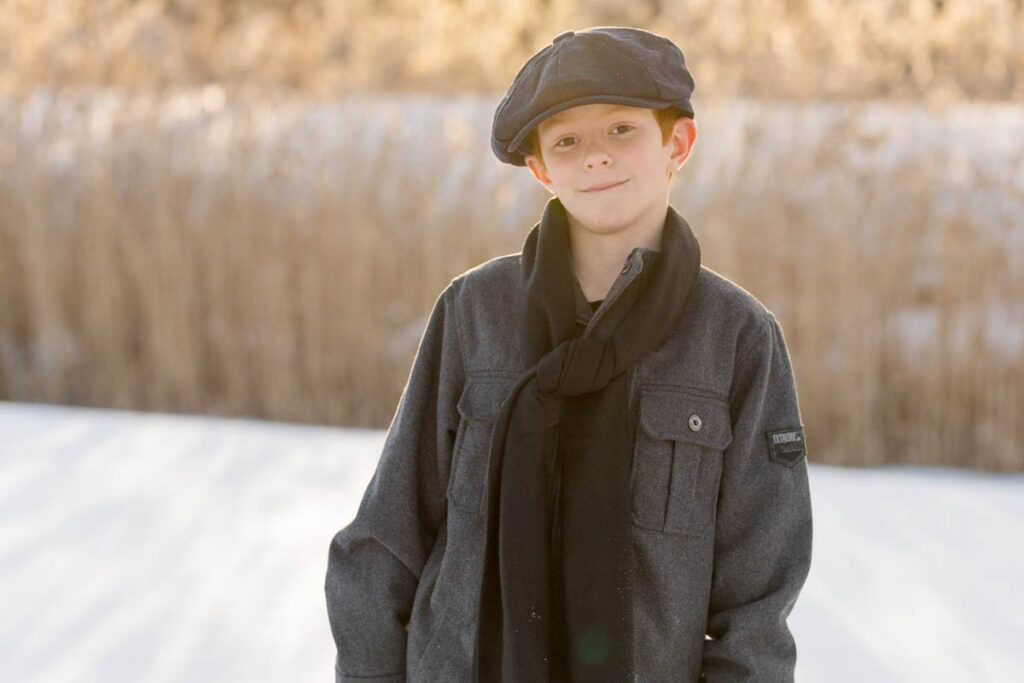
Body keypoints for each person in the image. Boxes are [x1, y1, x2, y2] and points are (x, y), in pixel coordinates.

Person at [325, 25, 813, 683]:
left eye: (620, 130)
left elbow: (758, 599)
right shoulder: (473, 313)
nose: (595, 157)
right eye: (567, 140)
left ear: (677, 143)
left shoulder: (736, 338)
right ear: (540, 168)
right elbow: (385, 537)